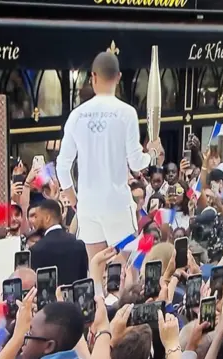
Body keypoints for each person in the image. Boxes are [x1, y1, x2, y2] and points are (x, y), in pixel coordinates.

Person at [56, 51, 159, 261]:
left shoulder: (76, 115)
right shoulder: (126, 113)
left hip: (89, 206)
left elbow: (62, 167)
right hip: (117, 206)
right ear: (119, 77)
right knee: (124, 270)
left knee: (97, 270)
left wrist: (75, 200)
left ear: (93, 77)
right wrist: (152, 153)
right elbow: (137, 162)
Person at [29, 200, 88, 285]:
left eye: (37, 217)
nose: (35, 221)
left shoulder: (36, 250)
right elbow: (83, 281)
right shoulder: (78, 244)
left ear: (47, 218)